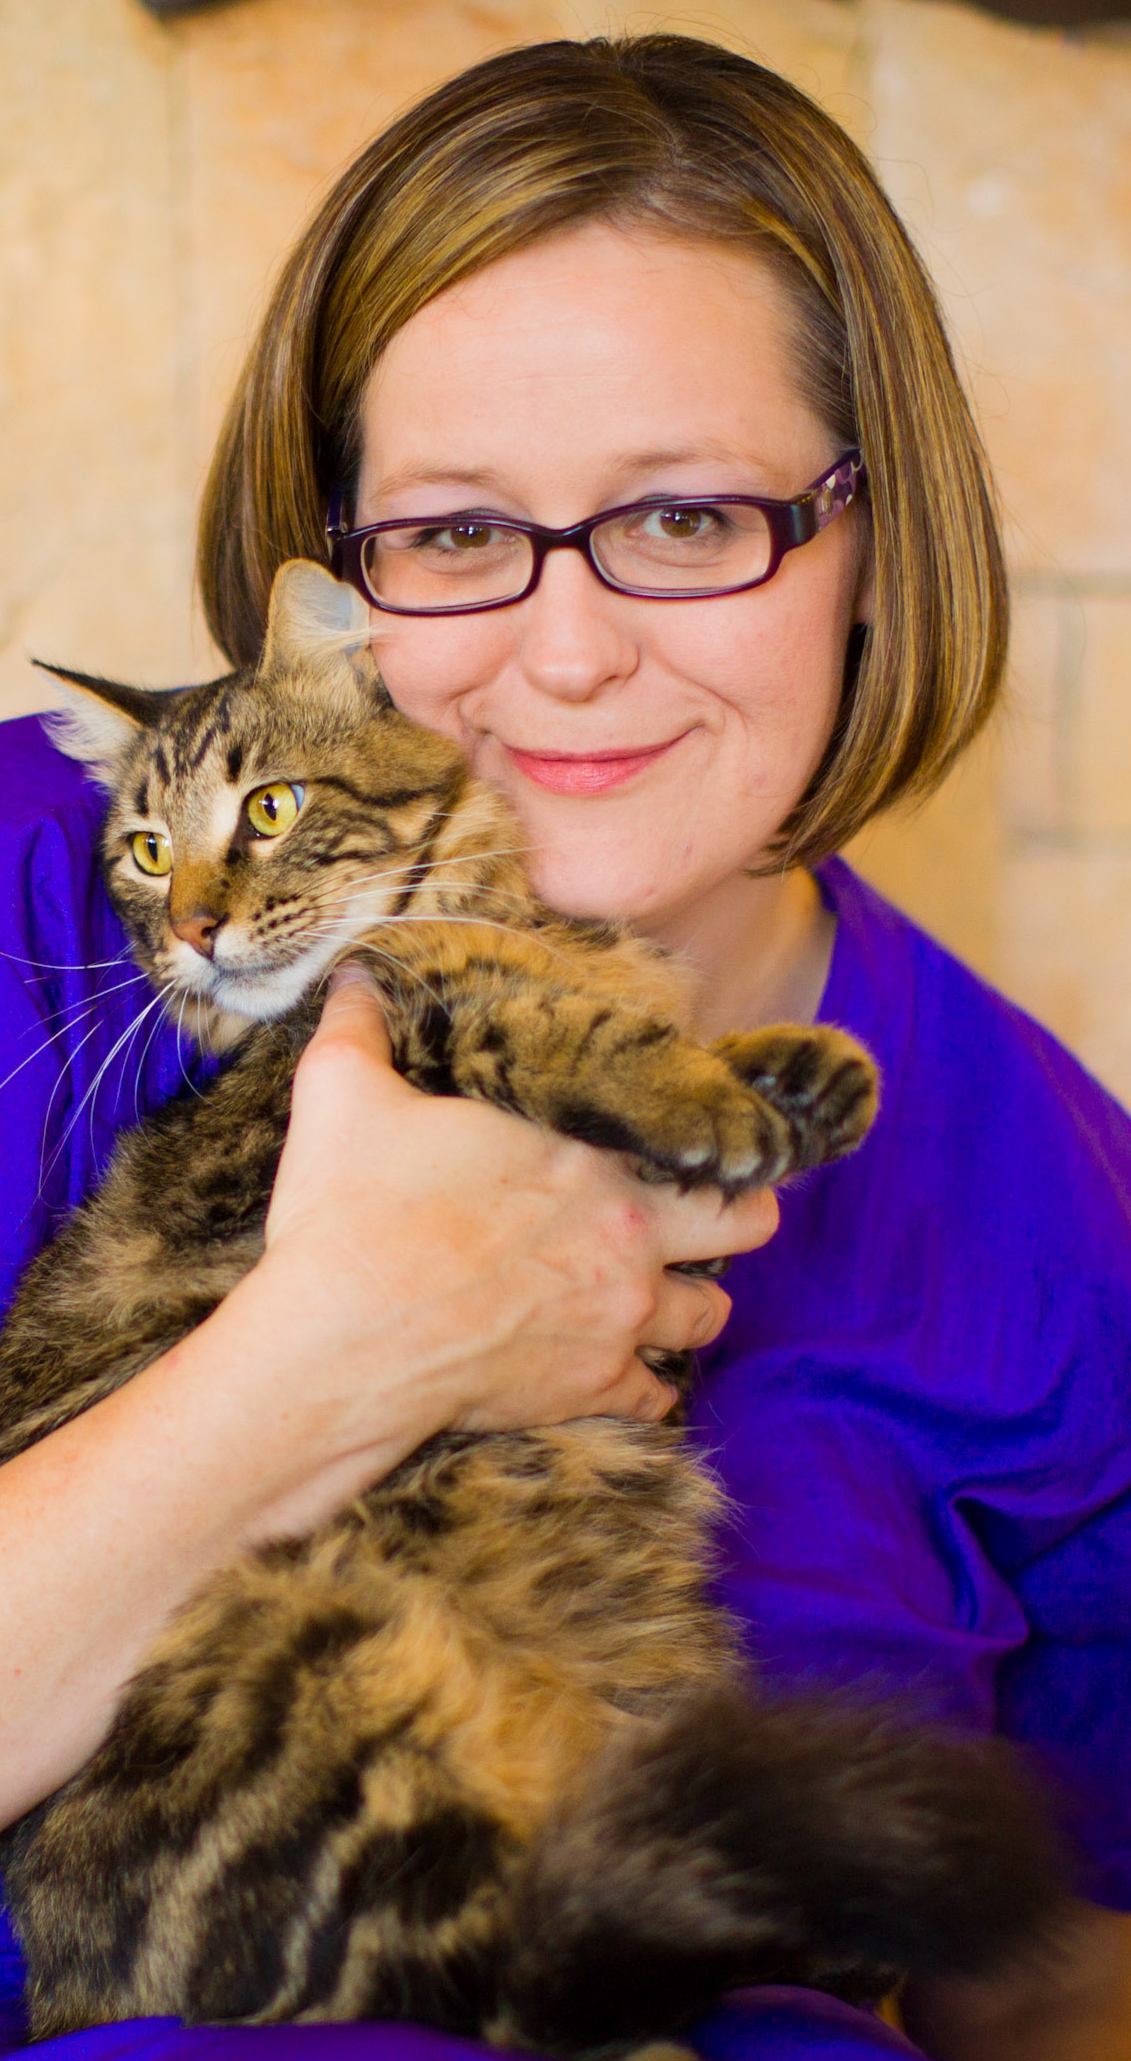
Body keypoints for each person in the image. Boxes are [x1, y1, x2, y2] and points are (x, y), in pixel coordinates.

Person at [0, 33, 1128, 2061]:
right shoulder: (47, 895)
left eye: (688, 519)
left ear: (873, 541)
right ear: (335, 572)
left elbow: (1044, 1970)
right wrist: (335, 1354)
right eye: (449, 534)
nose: (569, 647)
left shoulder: (1063, 1209)